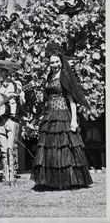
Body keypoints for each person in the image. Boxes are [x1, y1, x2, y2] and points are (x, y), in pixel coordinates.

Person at [31, 42, 93, 190]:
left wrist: (73, 121)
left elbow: (72, 100)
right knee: (50, 149)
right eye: (51, 62)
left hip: (63, 114)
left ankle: (68, 181)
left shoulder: (65, 77)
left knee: (65, 148)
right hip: (50, 115)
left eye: (57, 61)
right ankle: (52, 181)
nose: (54, 64)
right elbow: (47, 97)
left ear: (61, 61)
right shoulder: (49, 76)